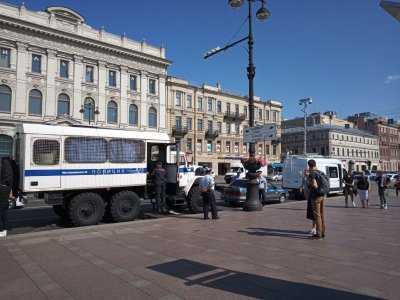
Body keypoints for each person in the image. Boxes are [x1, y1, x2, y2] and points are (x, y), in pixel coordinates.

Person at [307, 159, 326, 240]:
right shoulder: (321, 172)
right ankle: (323, 233)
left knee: (317, 215)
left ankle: (318, 234)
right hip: (323, 195)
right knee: (322, 214)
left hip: (315, 197)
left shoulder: (312, 174)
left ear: (309, 166)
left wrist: (312, 184)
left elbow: (315, 185)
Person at [300, 169, 316, 235]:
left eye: (305, 172)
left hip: (311, 196)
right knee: (312, 214)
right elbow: (303, 184)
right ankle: (313, 228)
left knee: (313, 213)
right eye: (304, 172)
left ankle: (314, 229)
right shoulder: (304, 178)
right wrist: (301, 188)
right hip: (308, 196)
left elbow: (313, 186)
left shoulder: (310, 178)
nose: (304, 173)